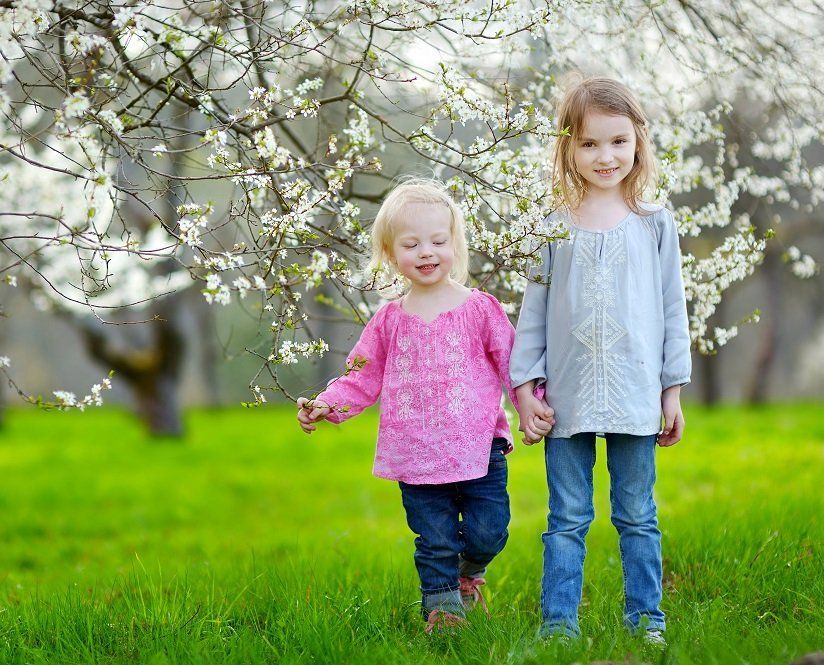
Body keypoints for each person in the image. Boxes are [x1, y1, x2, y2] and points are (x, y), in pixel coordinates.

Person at [296, 178, 552, 634]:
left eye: (438, 240)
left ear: (455, 244)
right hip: (416, 454)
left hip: (480, 451)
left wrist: (530, 404)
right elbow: (362, 375)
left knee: (489, 531)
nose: (427, 252)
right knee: (433, 540)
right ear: (392, 254)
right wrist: (325, 404)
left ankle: (468, 574)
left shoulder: (480, 309)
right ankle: (444, 612)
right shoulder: (389, 319)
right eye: (412, 244)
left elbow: (514, 364)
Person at [510, 77, 692, 646]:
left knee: (637, 515)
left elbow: (672, 308)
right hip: (565, 399)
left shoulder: (654, 221)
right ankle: (558, 627)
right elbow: (533, 310)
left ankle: (647, 622)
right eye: (589, 144)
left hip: (638, 396)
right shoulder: (553, 224)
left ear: (637, 141)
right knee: (566, 519)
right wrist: (524, 389)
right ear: (567, 147)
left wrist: (672, 390)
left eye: (617, 141)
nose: (605, 156)